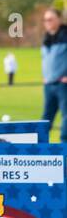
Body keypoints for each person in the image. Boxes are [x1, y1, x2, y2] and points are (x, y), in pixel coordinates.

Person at [41, 8, 67, 140]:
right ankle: (39, 147)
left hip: (63, 85)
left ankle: (65, 148)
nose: (47, 22)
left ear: (59, 19)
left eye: (50, 19)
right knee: (46, 117)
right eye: (45, 20)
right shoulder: (46, 38)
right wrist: (45, 76)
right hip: (49, 85)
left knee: (66, 116)